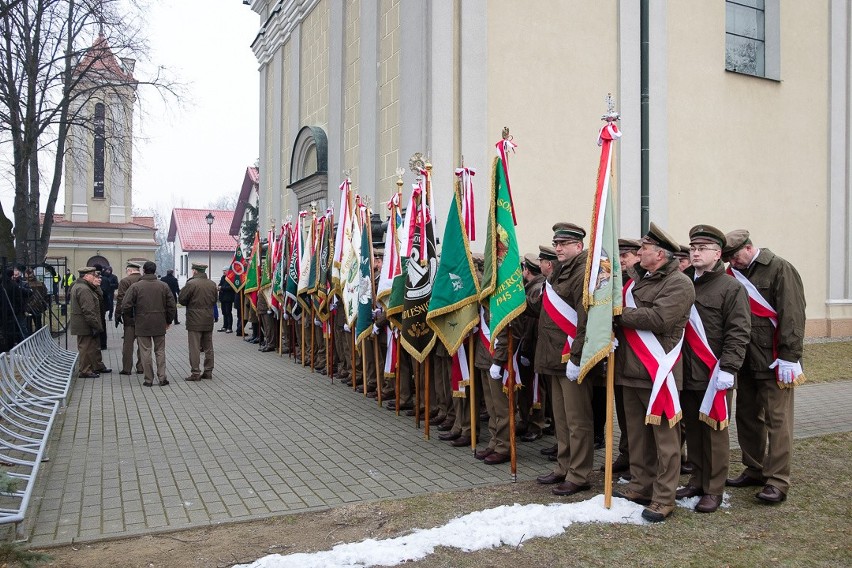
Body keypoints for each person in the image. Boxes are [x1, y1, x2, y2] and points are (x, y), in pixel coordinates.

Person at [613, 222, 695, 523]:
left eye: (644, 249)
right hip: (630, 368)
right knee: (636, 436)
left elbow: (660, 319)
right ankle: (640, 485)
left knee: (665, 440)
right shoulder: (640, 280)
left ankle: (663, 497)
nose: (639, 253)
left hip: (658, 370)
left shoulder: (679, 283)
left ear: (659, 255)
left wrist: (620, 314)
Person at [723, 229, 806, 504]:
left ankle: (778, 479)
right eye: (729, 259)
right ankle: (754, 468)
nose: (732, 263)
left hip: (775, 361)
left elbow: (792, 314)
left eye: (735, 256)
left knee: (777, 421)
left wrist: (789, 356)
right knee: (746, 417)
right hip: (745, 360)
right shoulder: (733, 273)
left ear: (749, 247)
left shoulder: (779, 269)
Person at [676, 225, 751, 513]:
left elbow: (738, 331)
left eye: (702, 248)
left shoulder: (731, 287)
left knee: (715, 431)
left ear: (718, 254)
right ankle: (697, 479)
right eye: (693, 248)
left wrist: (729, 368)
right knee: (693, 429)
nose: (695, 252)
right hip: (686, 370)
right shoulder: (683, 282)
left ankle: (714, 488)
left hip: (714, 372)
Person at [534, 223, 595, 497]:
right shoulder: (559, 271)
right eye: (556, 244)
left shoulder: (583, 272)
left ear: (578, 246)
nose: (558, 248)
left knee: (577, 419)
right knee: (560, 417)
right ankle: (563, 466)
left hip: (570, 356)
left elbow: (585, 320)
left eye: (564, 244)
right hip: (553, 356)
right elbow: (541, 307)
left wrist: (578, 356)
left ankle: (579, 473)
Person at [123, 261, 176, 387]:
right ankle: (162, 378)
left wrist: (132, 317)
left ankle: (148, 379)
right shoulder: (163, 286)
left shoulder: (136, 286)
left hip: (142, 323)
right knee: (160, 351)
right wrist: (168, 320)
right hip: (159, 322)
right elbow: (171, 305)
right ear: (155, 270)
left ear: (144, 271)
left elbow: (126, 305)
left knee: (145, 351)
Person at [178, 262, 219, 381]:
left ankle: (195, 372)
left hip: (194, 319)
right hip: (208, 318)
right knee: (208, 347)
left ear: (195, 271)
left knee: (194, 347)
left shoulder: (191, 283)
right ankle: (208, 371)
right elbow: (214, 300)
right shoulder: (212, 284)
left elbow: (182, 300)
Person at [69, 267, 104, 378]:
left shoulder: (81, 286)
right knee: (85, 347)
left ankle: (89, 368)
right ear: (86, 276)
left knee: (87, 346)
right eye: (93, 275)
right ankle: (85, 370)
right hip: (84, 324)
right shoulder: (84, 289)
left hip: (83, 323)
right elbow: (88, 310)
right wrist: (95, 325)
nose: (95, 277)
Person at [115, 261, 144, 375]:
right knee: (142, 343)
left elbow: (121, 299)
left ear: (130, 271)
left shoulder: (125, 281)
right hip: (143, 317)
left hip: (129, 317)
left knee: (128, 344)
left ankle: (127, 368)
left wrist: (118, 313)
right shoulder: (144, 280)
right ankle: (141, 367)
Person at [24, 268, 48, 335]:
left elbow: (44, 294)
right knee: (35, 325)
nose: (27, 278)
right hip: (35, 307)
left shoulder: (27, 284)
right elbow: (45, 294)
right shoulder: (39, 283)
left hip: (31, 307)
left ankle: (32, 338)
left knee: (31, 326)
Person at [217, 267, 235, 333]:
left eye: (225, 271)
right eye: (223, 270)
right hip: (222, 298)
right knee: (224, 312)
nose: (224, 272)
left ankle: (229, 327)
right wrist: (218, 287)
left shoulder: (231, 278)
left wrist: (222, 288)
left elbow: (231, 287)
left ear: (228, 271)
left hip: (228, 298)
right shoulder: (223, 277)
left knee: (228, 312)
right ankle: (225, 326)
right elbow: (220, 284)